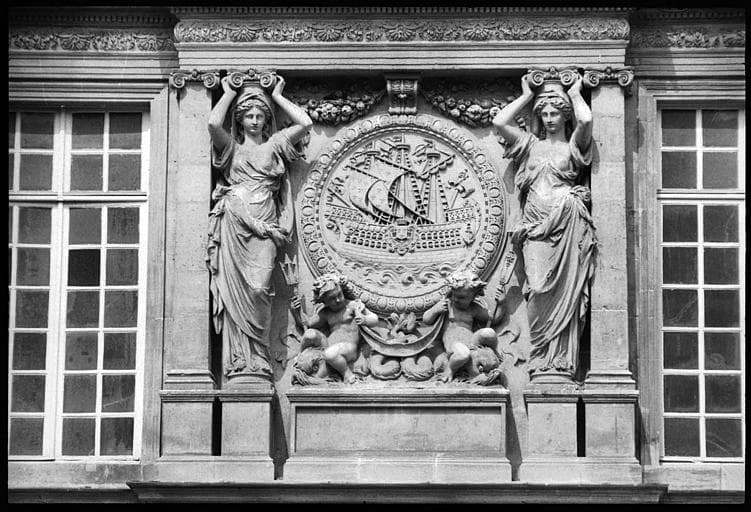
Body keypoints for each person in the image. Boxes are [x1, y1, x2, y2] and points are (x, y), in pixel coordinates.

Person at [206, 74, 313, 383]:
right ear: (239, 120)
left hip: (266, 224)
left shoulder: (275, 145)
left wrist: (277, 96)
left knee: (258, 289)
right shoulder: (232, 149)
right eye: (248, 116)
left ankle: (258, 353)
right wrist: (228, 94)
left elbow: (305, 123)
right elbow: (213, 124)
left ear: (267, 120)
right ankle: (244, 361)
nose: (254, 121)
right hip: (235, 224)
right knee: (236, 292)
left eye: (260, 116)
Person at [491, 73, 597, 381]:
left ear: (565, 115)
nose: (549, 119)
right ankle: (541, 353)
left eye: (555, 113)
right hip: (534, 228)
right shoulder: (529, 145)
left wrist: (575, 93)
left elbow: (586, 120)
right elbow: (499, 123)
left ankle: (556, 364)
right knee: (537, 288)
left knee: (564, 293)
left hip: (566, 224)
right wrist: (526, 96)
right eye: (545, 114)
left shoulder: (573, 146)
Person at [290, 273, 379, 384]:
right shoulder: (326, 313)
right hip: (328, 345)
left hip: (349, 348)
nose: (337, 300)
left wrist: (365, 319)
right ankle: (299, 360)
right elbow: (307, 323)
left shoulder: (352, 306)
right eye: (332, 298)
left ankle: (347, 374)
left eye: (339, 294)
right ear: (324, 301)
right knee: (310, 334)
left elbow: (375, 318)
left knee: (330, 354)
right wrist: (296, 312)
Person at [422, 270, 505, 382]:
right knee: (463, 354)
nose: (456, 299)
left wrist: (501, 304)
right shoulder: (448, 304)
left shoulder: (473, 308)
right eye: (455, 295)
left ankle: (493, 352)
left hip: (471, 340)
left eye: (462, 297)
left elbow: (493, 319)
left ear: (473, 296)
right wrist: (435, 310)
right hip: (454, 341)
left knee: (489, 333)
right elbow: (426, 320)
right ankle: (450, 369)